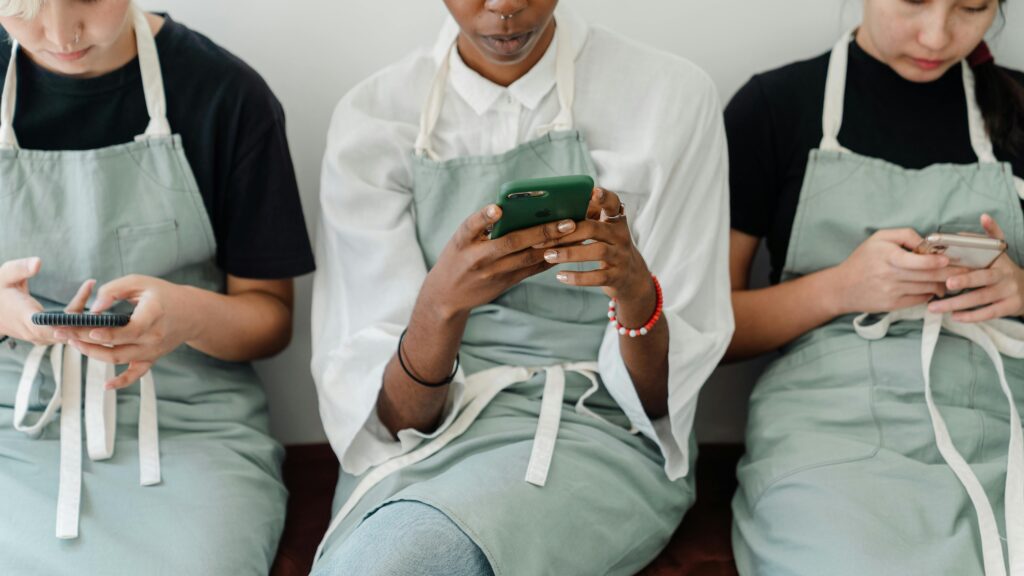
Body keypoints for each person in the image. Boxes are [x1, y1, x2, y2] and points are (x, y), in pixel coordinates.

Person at [311, 1, 733, 574]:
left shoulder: (670, 97)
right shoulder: (373, 120)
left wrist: (635, 289)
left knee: (409, 557)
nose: (505, 5)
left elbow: (660, 409)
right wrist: (439, 307)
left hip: (599, 429)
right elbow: (390, 424)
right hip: (420, 446)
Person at [0, 1, 314, 573]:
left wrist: (187, 316)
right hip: (14, 421)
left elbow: (270, 317)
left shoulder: (227, 95)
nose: (60, 33)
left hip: (186, 423)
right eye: (22, 5)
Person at [725, 0, 1024, 574]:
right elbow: (710, 331)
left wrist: (1021, 288)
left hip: (1002, 410)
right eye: (914, 1)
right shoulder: (775, 107)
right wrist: (841, 288)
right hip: (832, 427)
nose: (936, 35)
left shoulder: (1018, 107)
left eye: (973, 7)